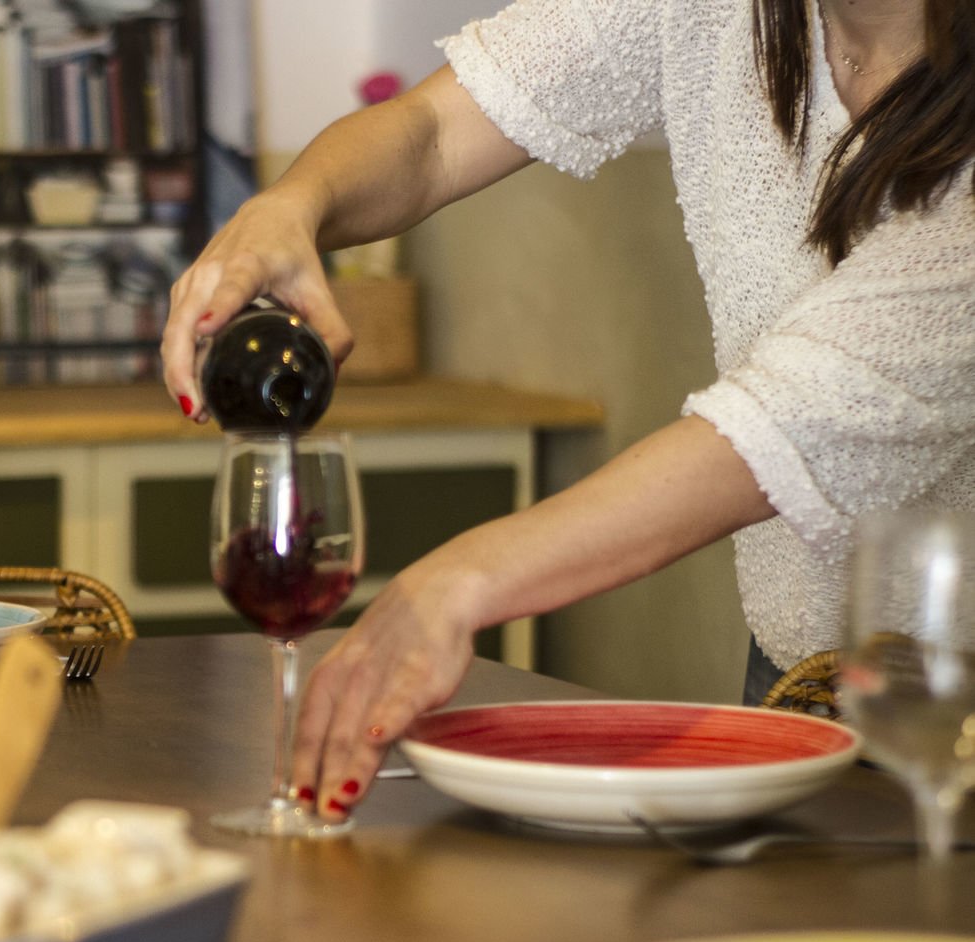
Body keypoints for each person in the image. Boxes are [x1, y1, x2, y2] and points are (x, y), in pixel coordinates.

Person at [159, 0, 975, 824]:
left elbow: (784, 427)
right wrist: (287, 208)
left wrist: (453, 585)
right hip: (797, 686)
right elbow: (432, 134)